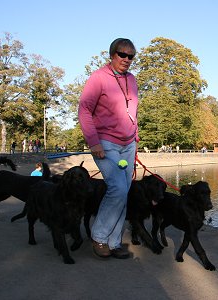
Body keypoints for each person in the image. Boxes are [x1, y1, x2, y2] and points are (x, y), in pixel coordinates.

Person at [78, 38, 138, 259]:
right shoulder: (98, 78)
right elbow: (84, 109)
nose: (126, 59)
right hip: (106, 144)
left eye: (131, 56)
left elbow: (133, 111)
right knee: (117, 189)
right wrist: (93, 142)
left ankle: (114, 242)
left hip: (128, 145)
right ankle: (99, 237)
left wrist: (136, 138)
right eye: (122, 54)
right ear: (112, 55)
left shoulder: (132, 80)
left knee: (125, 191)